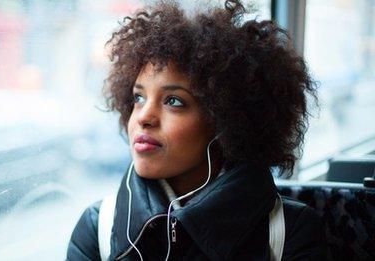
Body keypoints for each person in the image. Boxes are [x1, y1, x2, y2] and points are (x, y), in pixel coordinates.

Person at [67, 0, 327, 260]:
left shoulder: (289, 232)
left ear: (227, 119)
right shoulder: (98, 228)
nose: (143, 117)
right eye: (138, 98)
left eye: (174, 101)